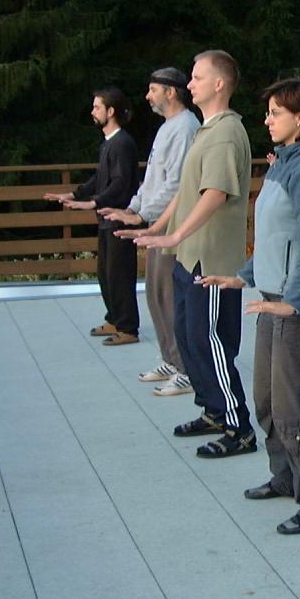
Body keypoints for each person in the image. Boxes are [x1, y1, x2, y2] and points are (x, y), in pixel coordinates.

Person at [201, 78, 300, 535]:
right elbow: (275, 239)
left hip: (299, 303)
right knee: (265, 397)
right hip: (274, 296)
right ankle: (285, 475)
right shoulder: (285, 164)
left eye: (275, 113)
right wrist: (243, 276)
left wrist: (294, 301)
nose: (267, 120)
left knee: (292, 406)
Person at [120, 50, 256, 459]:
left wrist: (176, 232)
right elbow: (186, 189)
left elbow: (215, 193)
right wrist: (158, 228)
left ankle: (238, 427)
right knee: (189, 337)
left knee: (210, 342)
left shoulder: (227, 132)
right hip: (188, 255)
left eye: (197, 77)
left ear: (219, 84)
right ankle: (213, 410)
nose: (189, 84)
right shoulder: (206, 130)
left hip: (211, 261)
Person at [100, 68, 201, 395]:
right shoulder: (167, 127)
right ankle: (170, 359)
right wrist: (133, 208)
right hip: (157, 220)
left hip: (173, 221)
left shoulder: (185, 127)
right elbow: (153, 179)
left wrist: (143, 213)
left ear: (171, 92)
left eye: (153, 90)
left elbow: (177, 184)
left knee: (170, 295)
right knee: (155, 293)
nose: (147, 96)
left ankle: (186, 369)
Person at [45, 87, 139, 346]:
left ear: (111, 111)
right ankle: (114, 318)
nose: (92, 111)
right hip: (106, 220)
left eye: (97, 107)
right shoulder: (109, 143)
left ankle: (128, 327)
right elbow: (100, 178)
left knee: (119, 275)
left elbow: (120, 183)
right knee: (105, 273)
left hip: (120, 218)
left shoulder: (123, 143)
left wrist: (94, 202)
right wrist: (74, 194)